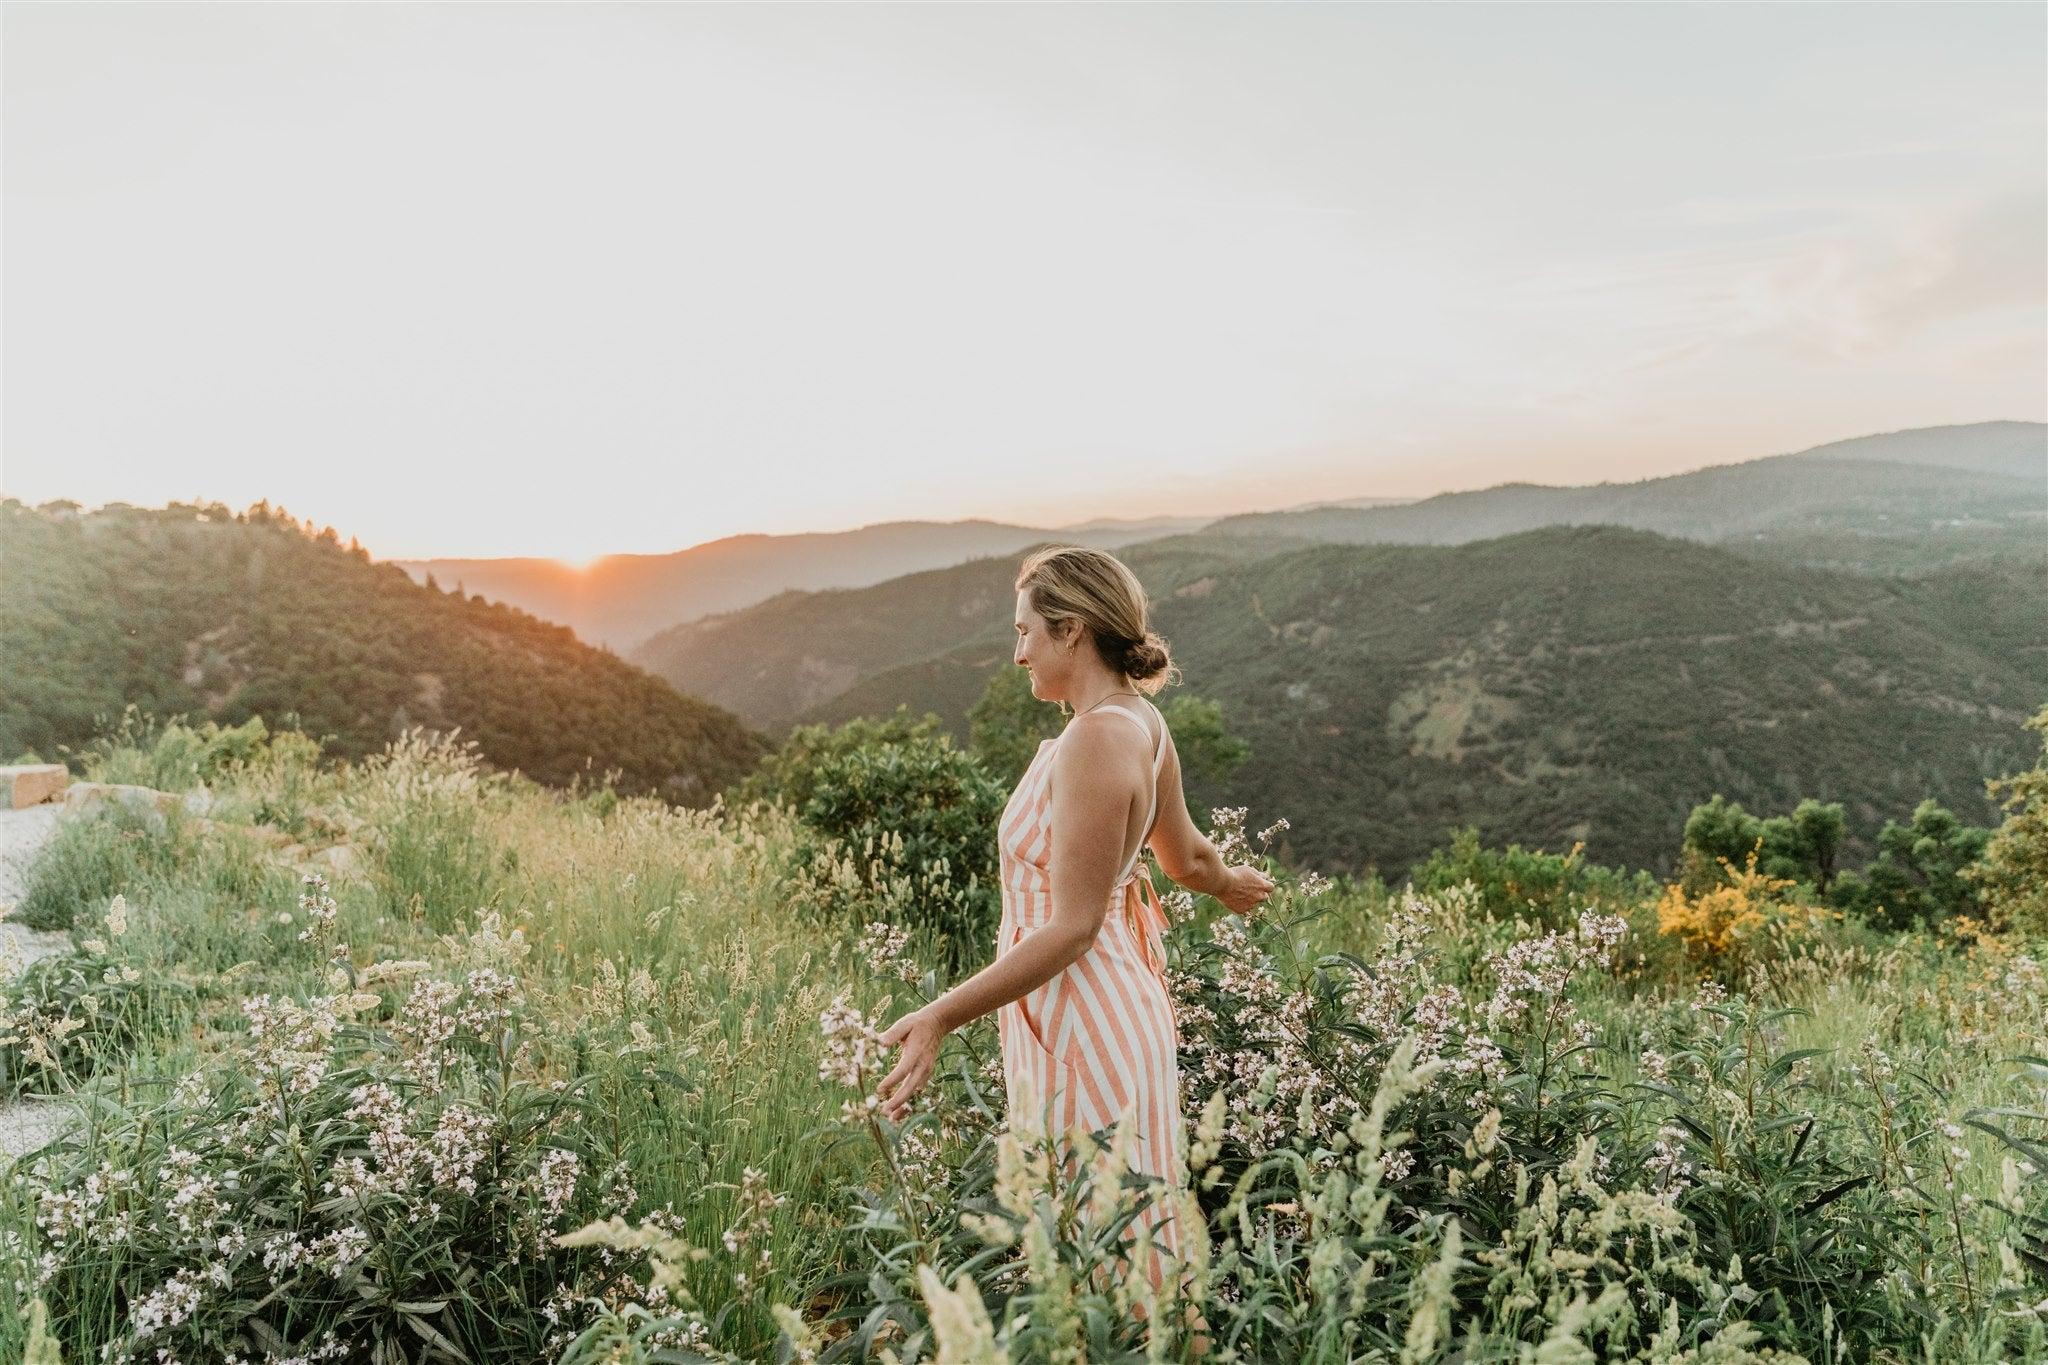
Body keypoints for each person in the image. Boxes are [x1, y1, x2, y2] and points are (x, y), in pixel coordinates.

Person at [875, 544, 1275, 1273]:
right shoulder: (1142, 722)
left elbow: (1073, 927)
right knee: (1127, 1237)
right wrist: (1226, 883)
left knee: (1097, 1248)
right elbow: (1186, 859)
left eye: (1026, 631)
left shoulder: (1093, 739)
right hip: (1108, 1008)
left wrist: (939, 1017)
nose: (1018, 653)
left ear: (1071, 630)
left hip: (1083, 1018)